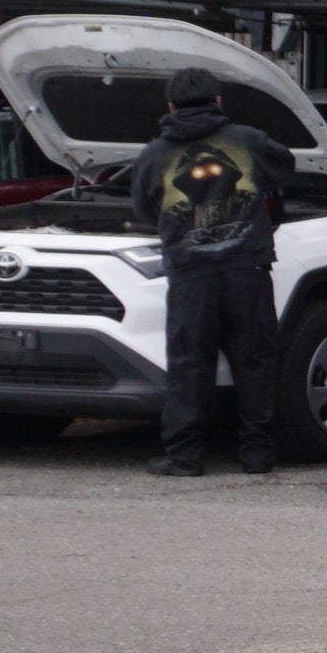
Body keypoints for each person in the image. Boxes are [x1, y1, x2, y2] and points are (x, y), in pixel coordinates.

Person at [126, 65, 292, 476]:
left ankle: (185, 457)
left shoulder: (153, 155)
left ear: (169, 106)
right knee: (254, 362)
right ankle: (257, 455)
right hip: (247, 270)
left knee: (188, 365)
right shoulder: (248, 141)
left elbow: (144, 209)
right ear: (219, 102)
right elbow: (284, 168)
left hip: (189, 274)